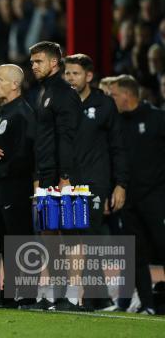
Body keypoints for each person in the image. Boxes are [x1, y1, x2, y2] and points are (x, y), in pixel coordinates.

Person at [63, 54, 129, 311]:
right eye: (67, 73)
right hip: (67, 182)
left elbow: (118, 148)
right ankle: (96, 297)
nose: (70, 78)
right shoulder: (60, 103)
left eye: (75, 73)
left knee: (89, 236)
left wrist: (120, 184)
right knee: (70, 237)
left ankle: (91, 300)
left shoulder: (104, 105)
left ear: (89, 76)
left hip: (95, 182)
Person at [25, 41, 82, 311]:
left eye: (39, 61)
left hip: (63, 175)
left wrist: (66, 175)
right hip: (46, 173)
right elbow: (42, 140)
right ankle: (54, 295)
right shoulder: (42, 92)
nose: (33, 66)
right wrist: (39, 176)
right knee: (48, 232)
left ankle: (71, 297)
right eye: (32, 61)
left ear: (54, 63)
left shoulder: (63, 93)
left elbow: (68, 137)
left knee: (68, 234)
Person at [110, 75, 165, 315]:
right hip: (129, 199)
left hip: (156, 198)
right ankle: (148, 304)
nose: (111, 100)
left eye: (113, 95)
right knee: (134, 253)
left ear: (126, 94)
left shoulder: (157, 118)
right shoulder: (116, 123)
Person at [0, 64, 36, 307]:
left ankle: (26, 294)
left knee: (20, 241)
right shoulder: (4, 112)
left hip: (17, 189)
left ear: (15, 84)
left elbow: (24, 157)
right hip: (1, 187)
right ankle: (9, 292)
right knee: (4, 243)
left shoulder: (23, 114)